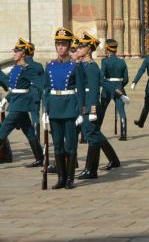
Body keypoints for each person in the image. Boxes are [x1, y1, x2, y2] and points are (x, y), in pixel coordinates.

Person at [42, 28, 85, 189]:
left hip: (69, 108)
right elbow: (46, 89)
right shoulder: (50, 66)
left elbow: (80, 89)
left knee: (71, 145)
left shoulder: (75, 65)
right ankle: (61, 177)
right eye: (58, 44)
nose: (60, 47)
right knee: (58, 144)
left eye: (63, 44)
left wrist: (81, 111)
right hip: (54, 107)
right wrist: (45, 111)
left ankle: (70, 179)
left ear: (69, 46)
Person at [77, 32, 121, 180]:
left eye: (82, 46)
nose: (79, 48)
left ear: (89, 49)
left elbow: (94, 90)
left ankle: (90, 169)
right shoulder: (84, 65)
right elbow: (102, 82)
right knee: (95, 134)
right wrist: (116, 91)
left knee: (91, 135)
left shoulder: (91, 67)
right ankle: (113, 160)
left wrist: (92, 110)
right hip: (83, 104)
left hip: (90, 105)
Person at [0, 38, 44, 167]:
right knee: (30, 132)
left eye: (17, 51)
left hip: (19, 106)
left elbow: (40, 83)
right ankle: (40, 158)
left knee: (2, 131)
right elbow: (12, 87)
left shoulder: (27, 68)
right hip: (16, 103)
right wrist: (6, 99)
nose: (14, 53)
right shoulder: (16, 68)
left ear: (23, 53)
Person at [99, 39, 129, 141]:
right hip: (119, 88)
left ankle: (97, 131)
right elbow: (126, 79)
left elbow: (101, 77)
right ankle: (124, 134)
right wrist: (119, 86)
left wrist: (109, 86)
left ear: (107, 48)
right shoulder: (122, 62)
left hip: (107, 88)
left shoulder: (105, 61)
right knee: (122, 111)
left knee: (102, 111)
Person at [25, 43, 44, 141]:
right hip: (34, 93)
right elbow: (43, 82)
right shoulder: (38, 66)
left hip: (22, 95)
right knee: (35, 116)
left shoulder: (21, 65)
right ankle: (36, 139)